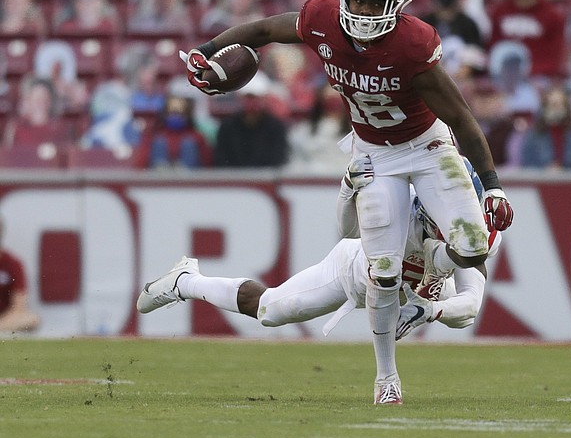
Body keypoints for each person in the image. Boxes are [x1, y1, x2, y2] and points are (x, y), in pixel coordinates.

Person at [181, 0, 514, 404]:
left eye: (373, 6)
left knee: (474, 246)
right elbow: (261, 32)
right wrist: (207, 49)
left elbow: (460, 116)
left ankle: (406, 305)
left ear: (397, 7)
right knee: (378, 270)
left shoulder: (413, 44)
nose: (361, 14)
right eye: (355, 3)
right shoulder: (323, 20)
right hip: (374, 154)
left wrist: (491, 185)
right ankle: (386, 379)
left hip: (427, 145)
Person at [137, 157, 501, 401]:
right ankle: (186, 281)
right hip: (355, 271)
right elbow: (347, 233)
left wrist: (430, 312)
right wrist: (348, 188)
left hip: (415, 288)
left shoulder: (480, 230)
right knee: (269, 311)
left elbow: (470, 306)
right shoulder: (400, 206)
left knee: (450, 310)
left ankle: (396, 363)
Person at [213, 72, 290, 168]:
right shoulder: (227, 127)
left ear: (264, 99)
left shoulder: (276, 128)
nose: (252, 103)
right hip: (234, 180)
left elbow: (278, 160)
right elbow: (222, 161)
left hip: (265, 180)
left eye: (256, 98)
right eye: (248, 98)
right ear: (240, 98)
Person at [0, 218, 39, 333]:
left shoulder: (12, 263)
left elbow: (19, 306)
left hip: (6, 318)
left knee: (31, 319)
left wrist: (4, 322)